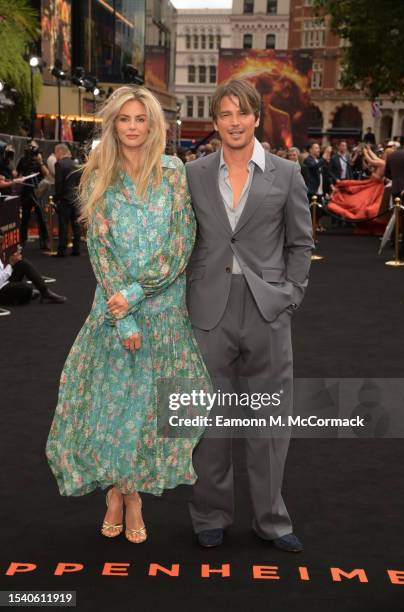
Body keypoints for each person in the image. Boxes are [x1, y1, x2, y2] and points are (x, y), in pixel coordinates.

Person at [45, 85, 211, 544]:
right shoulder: (97, 172)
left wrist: (138, 292)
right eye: (124, 119)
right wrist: (123, 313)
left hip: (162, 307)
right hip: (116, 310)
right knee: (114, 404)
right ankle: (119, 493)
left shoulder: (175, 172)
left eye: (141, 119)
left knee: (150, 408)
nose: (133, 127)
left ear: (153, 124)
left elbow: (181, 243)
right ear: (113, 124)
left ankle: (132, 492)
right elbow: (100, 249)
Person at [185, 79, 314, 551]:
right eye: (225, 114)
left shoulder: (286, 173)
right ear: (215, 122)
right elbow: (186, 240)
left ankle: (272, 520)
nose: (234, 122)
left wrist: (290, 295)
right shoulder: (194, 173)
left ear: (257, 117)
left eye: (243, 113)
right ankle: (210, 516)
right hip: (209, 309)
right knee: (209, 421)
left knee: (269, 423)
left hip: (267, 309)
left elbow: (301, 243)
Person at [0, 229, 66, 305]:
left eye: (2, 243)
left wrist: (13, 262)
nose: (2, 247)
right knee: (26, 288)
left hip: (3, 283)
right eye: (0, 243)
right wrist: (10, 264)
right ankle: (18, 298)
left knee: (22, 263)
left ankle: (45, 292)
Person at [16, 141, 50, 250]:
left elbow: (46, 173)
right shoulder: (22, 159)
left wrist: (40, 162)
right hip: (26, 191)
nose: (32, 149)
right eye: (30, 147)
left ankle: (44, 241)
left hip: (37, 192)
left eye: (34, 147)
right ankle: (22, 241)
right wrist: (20, 179)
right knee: (25, 218)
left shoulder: (38, 160)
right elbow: (17, 174)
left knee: (41, 218)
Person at [53, 143, 82, 256]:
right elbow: (79, 183)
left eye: (55, 152)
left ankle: (62, 250)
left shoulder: (59, 164)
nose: (55, 155)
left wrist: (56, 198)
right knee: (76, 225)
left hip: (64, 199)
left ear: (60, 151)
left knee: (63, 225)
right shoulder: (76, 164)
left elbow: (59, 184)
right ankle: (76, 249)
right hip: (75, 198)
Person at [385, 135, 404, 259]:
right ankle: (403, 247)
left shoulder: (392, 155)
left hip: (395, 189)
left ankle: (394, 241)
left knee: (396, 216)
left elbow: (386, 173)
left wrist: (396, 180)